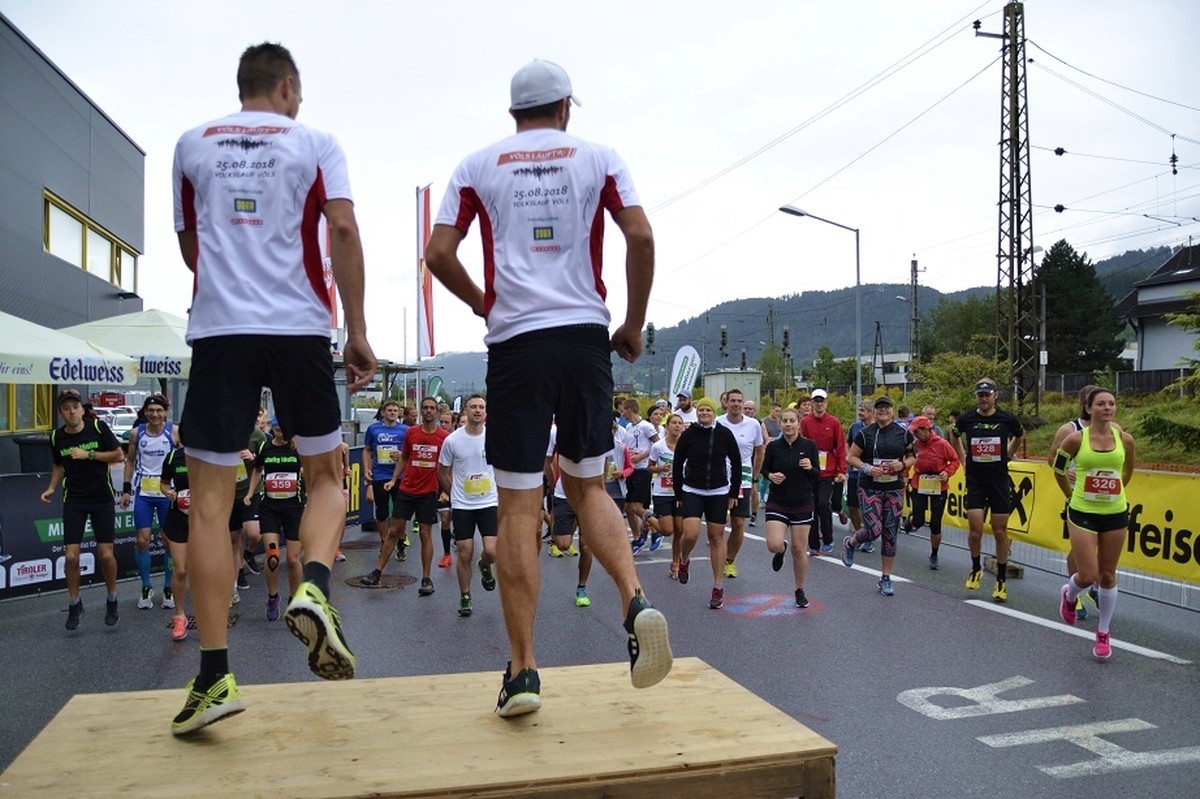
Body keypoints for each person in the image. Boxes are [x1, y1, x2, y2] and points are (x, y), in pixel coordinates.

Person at [424, 58, 672, 716]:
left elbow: (438, 253)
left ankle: (524, 670)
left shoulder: (477, 165)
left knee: (516, 508)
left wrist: (482, 303)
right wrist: (633, 323)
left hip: (516, 344)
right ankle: (634, 600)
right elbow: (641, 235)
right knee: (588, 487)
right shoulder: (599, 157)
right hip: (585, 339)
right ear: (564, 108)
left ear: (513, 113)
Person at [170, 42, 376, 735]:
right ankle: (313, 583)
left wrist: (233, 280)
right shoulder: (315, 142)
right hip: (298, 328)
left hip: (220, 329)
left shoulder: (191, 143)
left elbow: (191, 246)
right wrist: (356, 330)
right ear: (287, 86)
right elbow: (342, 227)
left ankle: (214, 675)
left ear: (244, 85)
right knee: (326, 478)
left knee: (209, 507)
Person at [1052, 387, 1135, 660]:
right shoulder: (1075, 439)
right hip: (1082, 512)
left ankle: (1103, 632)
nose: (1107, 408)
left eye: (1111, 403)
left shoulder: (1125, 439)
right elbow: (1058, 468)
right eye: (1101, 404)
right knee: (1087, 576)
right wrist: (1070, 495)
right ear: (1089, 408)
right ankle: (1070, 594)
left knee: (1107, 576)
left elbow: (1128, 470)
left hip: (1115, 513)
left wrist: (1115, 492)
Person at [41, 389, 124, 630]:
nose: (72, 412)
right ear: (61, 413)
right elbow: (58, 465)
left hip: (101, 498)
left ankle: (112, 599)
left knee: (106, 555)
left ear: (81, 409)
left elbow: (119, 454)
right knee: (70, 557)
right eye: (66, 409)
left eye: (75, 407)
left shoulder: (97, 428)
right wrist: (51, 488)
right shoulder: (57, 437)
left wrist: (89, 454)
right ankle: (74, 604)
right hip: (75, 499)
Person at [950, 378, 1025, 603]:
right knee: (975, 531)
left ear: (995, 396)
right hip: (975, 481)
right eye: (980, 395)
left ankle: (1001, 579)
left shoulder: (1006, 418)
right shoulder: (967, 419)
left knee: (1000, 532)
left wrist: (1007, 455)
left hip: (999, 481)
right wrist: (963, 459)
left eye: (987, 395)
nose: (984, 399)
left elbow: (1020, 435)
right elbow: (954, 434)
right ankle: (975, 568)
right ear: (977, 397)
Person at [362, 397, 448, 593]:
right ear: (421, 411)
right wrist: (394, 479)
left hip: (428, 491)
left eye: (432, 408)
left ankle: (426, 579)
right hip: (407, 489)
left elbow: (447, 466)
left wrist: (445, 490)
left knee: (425, 534)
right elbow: (404, 458)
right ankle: (376, 572)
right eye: (425, 408)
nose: (428, 411)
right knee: (394, 531)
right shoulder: (411, 432)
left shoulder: (444, 437)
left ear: (436, 412)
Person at [842, 396, 915, 597]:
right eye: (879, 408)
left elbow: (912, 457)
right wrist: (867, 468)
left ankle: (886, 577)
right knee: (874, 530)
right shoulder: (865, 434)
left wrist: (902, 465)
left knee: (890, 533)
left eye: (886, 407)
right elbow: (851, 457)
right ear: (874, 412)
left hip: (894, 487)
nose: (883, 411)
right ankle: (851, 542)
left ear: (892, 411)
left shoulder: (903, 433)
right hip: (870, 487)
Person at [672, 397, 741, 609]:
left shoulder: (724, 434)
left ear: (713, 413)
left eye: (708, 410)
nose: (704, 413)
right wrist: (678, 493)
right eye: (701, 410)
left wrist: (733, 492)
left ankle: (718, 588)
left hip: (719, 491)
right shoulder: (688, 435)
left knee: (716, 537)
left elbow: (736, 462)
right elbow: (677, 463)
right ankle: (684, 559)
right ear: (697, 413)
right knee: (691, 534)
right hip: (692, 489)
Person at [438, 394, 498, 618]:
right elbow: (443, 471)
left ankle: (485, 565)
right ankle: (465, 595)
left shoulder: (493, 437)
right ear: (466, 410)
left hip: (488, 501)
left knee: (491, 551)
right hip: (463, 504)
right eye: (473, 406)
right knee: (465, 552)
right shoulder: (453, 440)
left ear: (486, 412)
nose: (478, 410)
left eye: (481, 407)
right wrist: (454, 492)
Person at [1047, 384, 1102, 619]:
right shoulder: (1070, 430)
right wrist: (1068, 475)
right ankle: (1075, 593)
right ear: (1085, 405)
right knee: (1080, 546)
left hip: (1101, 497)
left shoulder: (1110, 430)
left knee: (1098, 543)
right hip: (1077, 496)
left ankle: (1095, 586)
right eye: (1096, 402)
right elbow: (1052, 459)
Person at [120, 394, 180, 610]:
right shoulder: (137, 433)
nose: (155, 414)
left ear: (165, 413)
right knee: (142, 541)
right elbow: (130, 461)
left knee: (169, 541)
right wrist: (126, 489)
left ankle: (168, 586)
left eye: (159, 411)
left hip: (167, 493)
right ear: (145, 412)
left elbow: (184, 459)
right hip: (144, 493)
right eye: (151, 411)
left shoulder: (174, 432)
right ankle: (146, 586)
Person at [762, 408, 821, 608]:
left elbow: (817, 474)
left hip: (802, 502)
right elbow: (764, 469)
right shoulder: (773, 447)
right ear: (780, 424)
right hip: (778, 501)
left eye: (791, 421)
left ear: (798, 424)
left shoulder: (809, 446)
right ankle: (781, 550)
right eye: (784, 421)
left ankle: (799, 589)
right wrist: (770, 476)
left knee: (799, 549)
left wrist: (809, 467)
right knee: (773, 544)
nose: (788, 424)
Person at [253, 418, 306, 620]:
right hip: (270, 508)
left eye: (284, 430)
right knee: (273, 556)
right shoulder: (264, 447)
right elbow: (257, 470)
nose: (280, 434)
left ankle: (295, 599)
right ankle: (272, 597)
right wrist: (250, 493)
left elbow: (311, 471)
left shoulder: (298, 448)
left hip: (294, 509)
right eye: (276, 430)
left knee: (292, 559)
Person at [715, 388, 764, 578]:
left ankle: (729, 560)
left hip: (743, 479)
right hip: (720, 479)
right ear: (726, 403)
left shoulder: (753, 425)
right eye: (732, 400)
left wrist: (754, 477)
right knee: (718, 524)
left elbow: (760, 451)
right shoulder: (718, 423)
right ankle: (718, 556)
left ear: (743, 404)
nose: (736, 404)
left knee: (738, 523)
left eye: (739, 401)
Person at [905, 415, 960, 570]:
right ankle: (913, 518)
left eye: (917, 431)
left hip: (938, 485)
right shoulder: (914, 445)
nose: (915, 434)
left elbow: (955, 460)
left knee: (935, 524)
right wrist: (904, 476)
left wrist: (947, 472)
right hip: (920, 483)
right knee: (918, 522)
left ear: (926, 429)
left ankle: (934, 554)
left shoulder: (942, 444)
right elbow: (907, 460)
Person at [800, 388, 846, 556]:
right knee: (810, 507)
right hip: (809, 470)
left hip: (828, 471)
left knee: (823, 504)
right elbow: (800, 444)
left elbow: (840, 447)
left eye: (822, 401)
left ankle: (827, 538)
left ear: (826, 403)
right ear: (812, 403)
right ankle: (813, 545)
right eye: (816, 401)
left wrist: (841, 470)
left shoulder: (834, 423)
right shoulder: (805, 422)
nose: (819, 404)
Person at [362, 400, 408, 556]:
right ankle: (384, 542)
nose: (393, 413)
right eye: (389, 410)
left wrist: (403, 455)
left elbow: (410, 452)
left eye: (395, 410)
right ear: (382, 413)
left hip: (400, 475)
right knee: (381, 511)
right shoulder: (373, 429)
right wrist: (366, 469)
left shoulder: (405, 430)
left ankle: (401, 540)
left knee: (400, 512)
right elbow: (367, 450)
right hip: (380, 474)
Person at [159, 440, 192, 641]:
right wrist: (167, 492)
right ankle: (179, 616)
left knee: (203, 572)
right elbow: (163, 483)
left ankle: (207, 615)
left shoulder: (209, 455)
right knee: (180, 570)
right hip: (178, 518)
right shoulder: (173, 457)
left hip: (203, 521)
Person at [622, 398, 660, 553]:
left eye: (624, 410)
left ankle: (657, 530)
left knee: (636, 507)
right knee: (628, 507)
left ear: (629, 410)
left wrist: (642, 456)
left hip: (642, 470)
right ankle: (638, 538)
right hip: (631, 470)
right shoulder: (629, 427)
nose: (622, 413)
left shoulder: (646, 426)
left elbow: (658, 444)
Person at [647, 413, 683, 577]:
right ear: (667, 426)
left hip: (680, 493)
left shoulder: (686, 446)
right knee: (668, 530)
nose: (677, 426)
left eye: (679, 423)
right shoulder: (658, 446)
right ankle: (648, 518)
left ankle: (675, 564)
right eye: (674, 423)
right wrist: (660, 469)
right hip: (662, 492)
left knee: (680, 530)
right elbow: (650, 467)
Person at [845, 401, 874, 548]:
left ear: (871, 412)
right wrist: (849, 457)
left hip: (871, 474)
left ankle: (868, 537)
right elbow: (848, 443)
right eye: (859, 410)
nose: (859, 413)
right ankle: (859, 535)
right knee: (852, 505)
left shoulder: (877, 428)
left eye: (862, 410)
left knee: (868, 507)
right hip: (855, 473)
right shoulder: (855, 427)